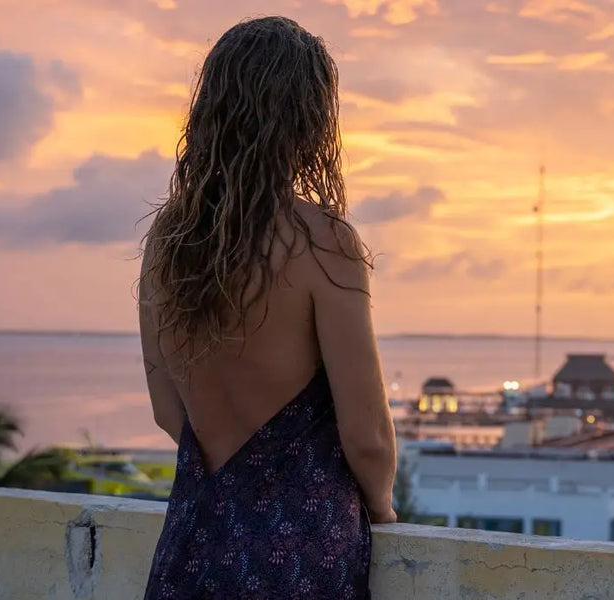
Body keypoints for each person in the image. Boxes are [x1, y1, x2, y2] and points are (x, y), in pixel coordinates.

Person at [137, 16, 396, 599]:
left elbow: (164, 409)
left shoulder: (167, 240)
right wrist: (380, 508)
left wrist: (233, 485)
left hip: (193, 544)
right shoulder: (322, 239)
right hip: (299, 553)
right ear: (309, 122)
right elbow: (369, 435)